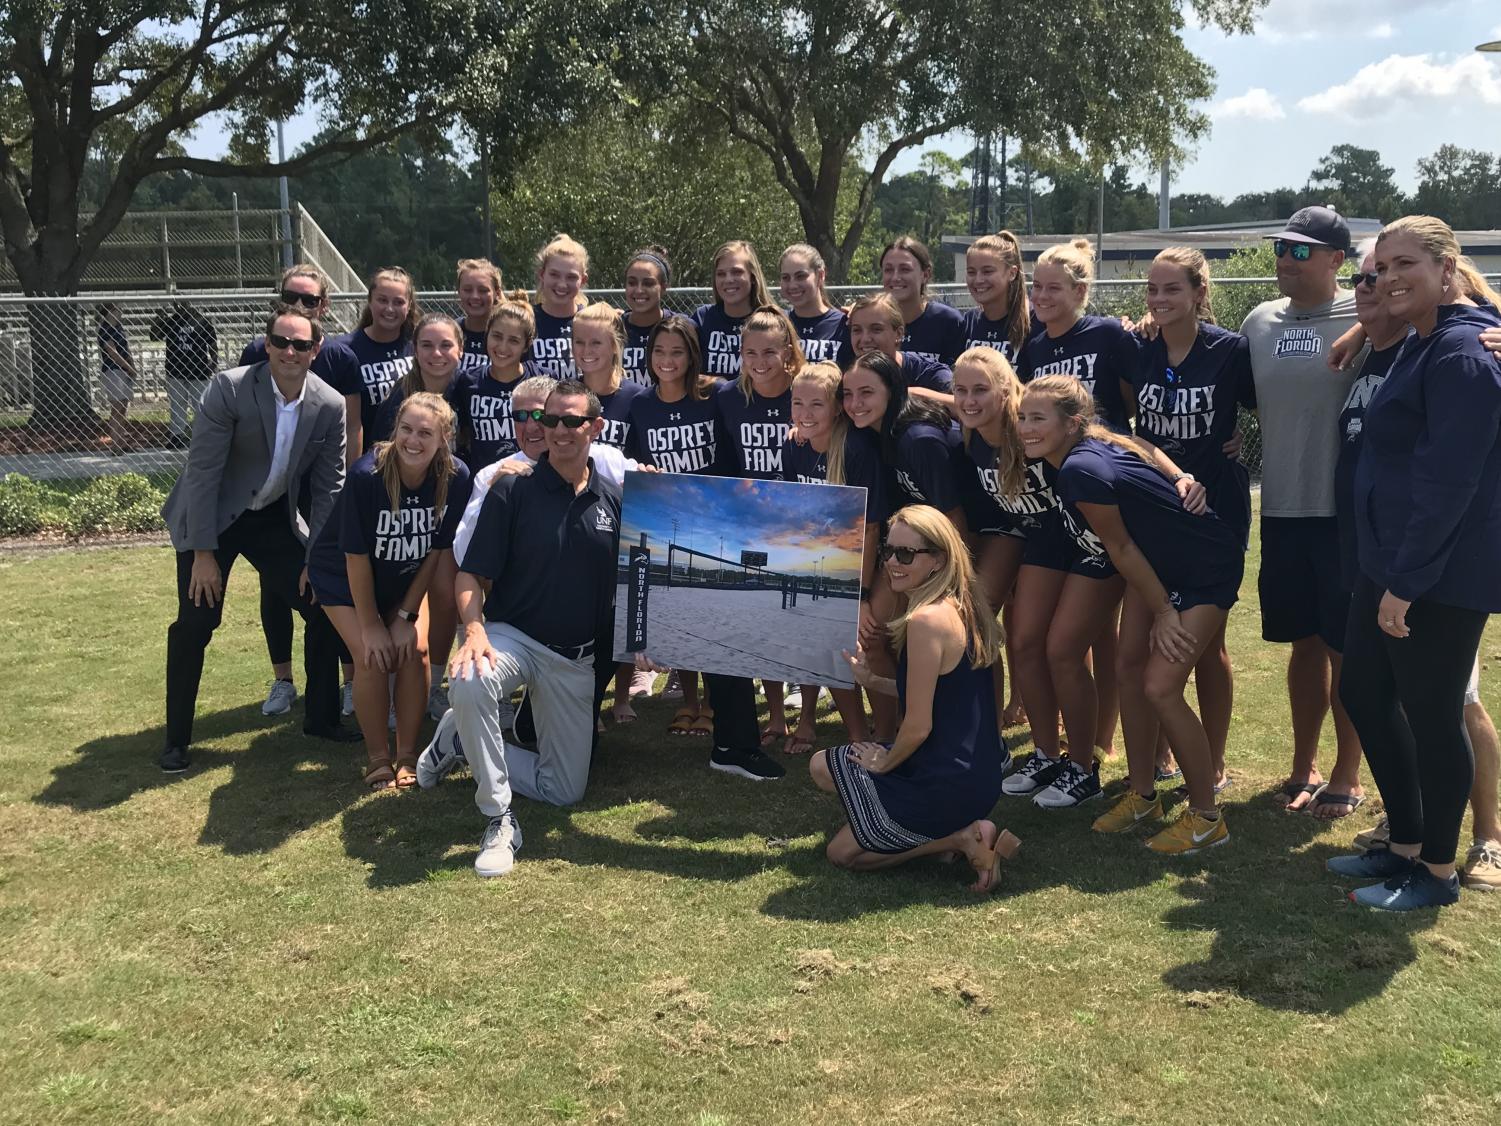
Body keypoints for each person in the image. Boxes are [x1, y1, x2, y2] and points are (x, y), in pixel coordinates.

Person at [1328, 216, 1501, 911]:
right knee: (1365, 694)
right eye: (1378, 268)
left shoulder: (1462, 355)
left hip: (1436, 572)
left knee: (1433, 715)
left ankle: (1433, 873)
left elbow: (1448, 483)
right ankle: (1401, 845)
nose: (1389, 279)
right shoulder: (1416, 340)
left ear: (1446, 268)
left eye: (1405, 265)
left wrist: (1406, 583)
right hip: (1389, 559)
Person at [1022, 376, 1244, 853]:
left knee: (1160, 687)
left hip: (1204, 567)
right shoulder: (1091, 441)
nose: (1025, 428)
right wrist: (1179, 474)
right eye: (1022, 416)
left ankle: (1207, 819)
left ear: (1072, 424)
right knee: (1127, 667)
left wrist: (1165, 610)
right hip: (1161, 564)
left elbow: (1119, 547)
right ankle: (1143, 796)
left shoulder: (1078, 470)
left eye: (1037, 418)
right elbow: (1139, 442)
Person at [430, 380, 622, 878]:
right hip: (513, 637)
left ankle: (457, 742)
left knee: (565, 792)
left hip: (576, 657)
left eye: (571, 421)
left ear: (594, 428)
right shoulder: (512, 486)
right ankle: (498, 818)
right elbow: (470, 572)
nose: (556, 430)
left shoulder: (616, 497)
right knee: (471, 681)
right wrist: (473, 629)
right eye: (547, 420)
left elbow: (641, 578)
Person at [158, 304, 355, 774]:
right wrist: (203, 553)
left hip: (270, 518)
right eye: (281, 342)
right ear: (266, 346)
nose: (290, 351)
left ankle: (321, 719)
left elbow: (330, 488)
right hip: (214, 517)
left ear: (316, 350)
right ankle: (176, 741)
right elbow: (203, 473)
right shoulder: (230, 387)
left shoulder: (328, 404)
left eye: (301, 344)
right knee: (198, 621)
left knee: (322, 601)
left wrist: (316, 557)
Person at [814, 504, 1010, 892]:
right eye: (888, 551)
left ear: (937, 560)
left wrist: (886, 762)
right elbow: (940, 694)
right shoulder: (962, 606)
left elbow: (918, 726)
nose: (891, 563)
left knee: (841, 854)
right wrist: (873, 679)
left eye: (906, 554)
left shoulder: (925, 621)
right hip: (976, 773)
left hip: (944, 778)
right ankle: (944, 828)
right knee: (823, 765)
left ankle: (960, 838)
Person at [1241, 204, 1364, 813]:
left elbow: (1445, 313)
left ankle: (1348, 771)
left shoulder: (1366, 312)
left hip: (1342, 511)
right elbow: (1228, 388)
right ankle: (1302, 763)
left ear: (1336, 260)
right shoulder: (1259, 321)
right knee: (1303, 643)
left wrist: (1365, 327)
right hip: (1283, 508)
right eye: (1280, 249)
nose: (1283, 260)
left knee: (1346, 646)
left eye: (1299, 251)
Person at [1124, 248, 1256, 793]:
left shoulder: (1231, 351)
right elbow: (1131, 423)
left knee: (1207, 647)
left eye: (1171, 290)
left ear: (1200, 292)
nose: (1158, 301)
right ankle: (1160, 759)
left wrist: (1239, 440)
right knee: (1151, 642)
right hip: (1157, 509)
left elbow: (1260, 407)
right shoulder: (1140, 348)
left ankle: (1215, 761)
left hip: (1214, 510)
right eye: (1152, 290)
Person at [307, 393, 471, 788]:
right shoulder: (368, 475)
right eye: (406, 430)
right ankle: (378, 757)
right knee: (371, 655)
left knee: (412, 648)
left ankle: (408, 755)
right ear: (395, 428)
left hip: (403, 577)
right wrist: (371, 625)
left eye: (425, 433)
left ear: (444, 437)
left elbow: (435, 551)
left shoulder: (455, 476)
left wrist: (404, 616)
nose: (413, 441)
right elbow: (355, 557)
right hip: (343, 578)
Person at [238, 265, 360, 719]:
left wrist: (351, 484)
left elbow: (352, 423)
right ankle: (283, 681)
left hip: (322, 487)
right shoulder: (257, 350)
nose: (299, 307)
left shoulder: (340, 358)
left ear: (324, 307)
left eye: (310, 300)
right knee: (277, 586)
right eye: (291, 297)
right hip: (274, 495)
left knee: (332, 580)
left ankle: (349, 683)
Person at [367, 315, 472, 716]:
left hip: (454, 502)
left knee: (446, 593)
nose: (436, 354)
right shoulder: (400, 396)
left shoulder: (468, 388)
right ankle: (390, 680)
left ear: (460, 350)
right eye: (427, 345)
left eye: (446, 345)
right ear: (414, 349)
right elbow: (379, 453)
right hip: (403, 509)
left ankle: (435, 683)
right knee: (398, 592)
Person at [782, 360, 888, 753]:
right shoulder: (793, 447)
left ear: (836, 408)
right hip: (822, 558)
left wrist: (857, 594)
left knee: (860, 642)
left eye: (816, 405)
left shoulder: (857, 449)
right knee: (815, 633)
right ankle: (840, 729)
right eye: (797, 404)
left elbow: (873, 527)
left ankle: (875, 735)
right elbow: (798, 516)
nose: (804, 415)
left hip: (869, 561)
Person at [625, 316, 719, 736]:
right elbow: (633, 464)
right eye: (659, 351)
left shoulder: (712, 396)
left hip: (711, 514)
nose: (667, 360)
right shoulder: (640, 404)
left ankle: (714, 702)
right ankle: (690, 701)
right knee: (680, 611)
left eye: (677, 351)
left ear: (692, 355)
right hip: (665, 518)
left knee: (709, 615)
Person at [572, 301, 651, 719]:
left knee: (624, 600)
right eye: (579, 341)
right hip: (581, 508)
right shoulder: (567, 395)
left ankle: (620, 696)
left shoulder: (634, 397)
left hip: (625, 508)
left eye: (596, 342)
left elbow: (642, 455)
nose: (587, 350)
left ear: (616, 345)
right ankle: (585, 693)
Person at [339, 267, 419, 458]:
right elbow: (350, 424)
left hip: (415, 457)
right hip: (370, 461)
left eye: (398, 302)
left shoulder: (419, 346)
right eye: (382, 300)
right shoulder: (346, 350)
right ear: (370, 301)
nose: (389, 309)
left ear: (408, 306)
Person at [455, 292, 534, 471]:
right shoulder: (468, 382)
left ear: (527, 345)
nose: (503, 347)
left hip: (532, 481)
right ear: (487, 334)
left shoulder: (542, 381)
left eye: (514, 340)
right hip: (484, 483)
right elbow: (463, 434)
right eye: (497, 336)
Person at [880, 236, 966, 367]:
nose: (895, 277)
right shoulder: (872, 320)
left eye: (905, 269)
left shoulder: (948, 322)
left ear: (925, 274)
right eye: (888, 270)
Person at [692, 241, 774, 377]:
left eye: (737, 272)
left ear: (752, 277)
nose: (728, 279)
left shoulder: (773, 320)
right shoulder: (702, 318)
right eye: (721, 274)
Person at [848, 291, 953, 394]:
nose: (865, 339)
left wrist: (905, 395)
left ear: (898, 333)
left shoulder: (927, 373)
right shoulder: (846, 375)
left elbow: (959, 403)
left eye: (876, 329)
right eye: (857, 330)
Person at [149, 298, 218, 446]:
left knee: (201, 403)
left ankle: (203, 434)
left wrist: (214, 360)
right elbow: (154, 336)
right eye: (177, 304)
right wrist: (158, 319)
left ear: (189, 303)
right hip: (175, 369)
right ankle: (177, 435)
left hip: (198, 369)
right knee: (177, 404)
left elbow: (211, 341)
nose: (180, 307)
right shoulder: (172, 321)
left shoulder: (201, 320)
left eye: (183, 303)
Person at [962, 231, 1033, 361]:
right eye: (971, 272)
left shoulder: (1034, 321)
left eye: (987, 271)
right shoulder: (969, 322)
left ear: (1012, 273)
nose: (978, 280)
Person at [527, 234, 589, 378]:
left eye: (571, 277)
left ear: (583, 280)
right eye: (554, 275)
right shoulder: (526, 320)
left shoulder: (591, 322)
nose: (562, 284)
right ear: (542, 275)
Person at [780, 244, 850, 366]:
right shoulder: (779, 324)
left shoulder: (844, 324)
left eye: (800, 276)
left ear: (820, 275)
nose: (792, 285)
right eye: (786, 278)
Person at [621, 246, 671, 386]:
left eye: (648, 283)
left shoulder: (680, 327)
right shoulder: (612, 327)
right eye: (632, 283)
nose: (639, 290)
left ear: (664, 287)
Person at [97, 302, 136, 453]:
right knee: (116, 407)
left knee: (123, 407)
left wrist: (132, 365)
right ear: (110, 311)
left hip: (125, 370)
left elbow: (126, 349)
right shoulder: (105, 329)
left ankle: (122, 441)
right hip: (113, 371)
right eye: (118, 310)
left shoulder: (119, 328)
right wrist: (128, 366)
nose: (120, 312)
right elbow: (112, 353)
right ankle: (115, 444)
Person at [455, 258, 504, 378]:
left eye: (483, 290)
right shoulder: (451, 332)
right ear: (459, 292)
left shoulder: (507, 334)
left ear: (496, 293)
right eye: (467, 290)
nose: (475, 296)